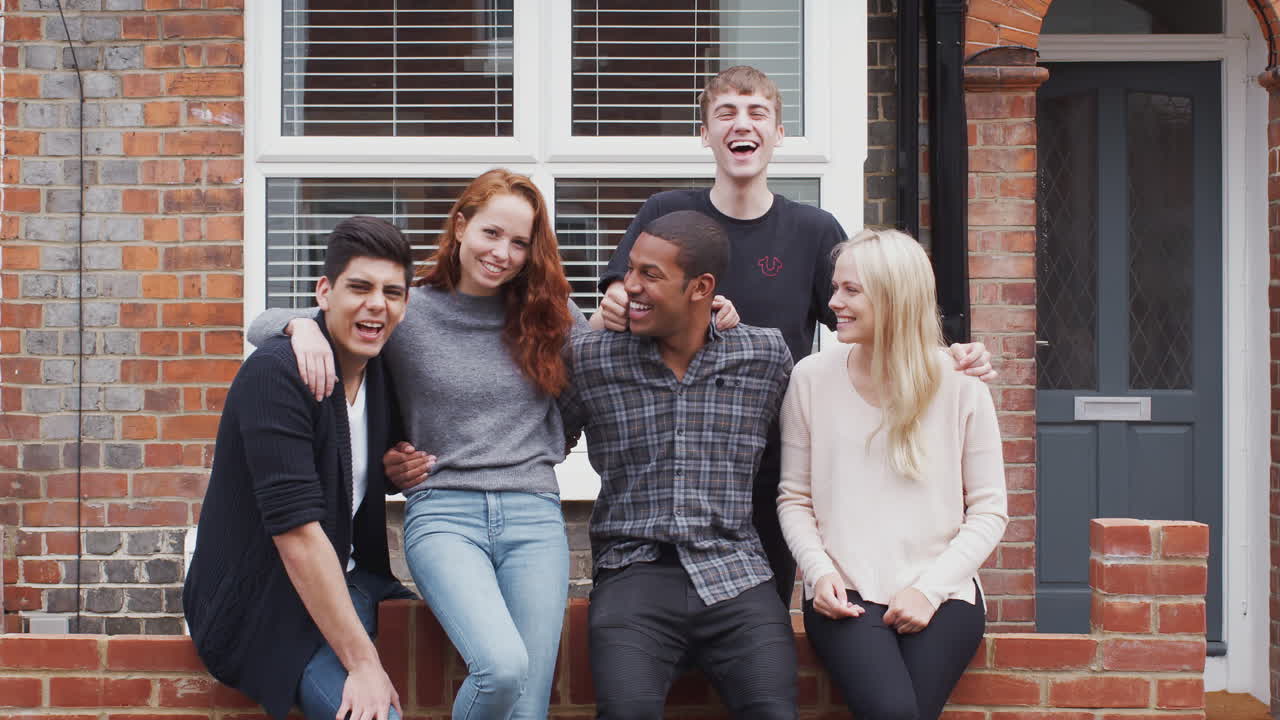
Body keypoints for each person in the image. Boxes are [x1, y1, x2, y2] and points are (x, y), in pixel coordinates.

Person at [591, 65, 995, 605]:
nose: (743, 124)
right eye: (726, 113)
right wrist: (618, 304)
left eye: (758, 113)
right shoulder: (666, 214)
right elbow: (612, 314)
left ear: (778, 134)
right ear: (704, 133)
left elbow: (876, 320)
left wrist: (946, 357)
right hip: (675, 463)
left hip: (773, 465)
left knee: (760, 622)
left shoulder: (813, 230)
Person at [246, 170, 586, 720]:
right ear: (460, 225)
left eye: (520, 243)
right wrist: (301, 328)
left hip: (535, 517)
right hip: (444, 512)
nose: (502, 252)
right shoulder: (410, 309)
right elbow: (263, 325)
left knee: (528, 708)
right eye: (491, 233)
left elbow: (599, 379)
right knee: (500, 668)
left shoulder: (550, 316)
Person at [560, 210, 797, 720]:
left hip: (735, 571)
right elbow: (539, 440)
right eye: (630, 270)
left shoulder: (764, 355)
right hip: (632, 572)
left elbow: (838, 406)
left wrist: (943, 362)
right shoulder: (592, 358)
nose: (629, 287)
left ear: (702, 287)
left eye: (651, 274)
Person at [184, 216, 416, 720]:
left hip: (353, 578)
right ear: (325, 291)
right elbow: (297, 533)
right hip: (264, 606)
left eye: (393, 292)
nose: (377, 302)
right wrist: (364, 665)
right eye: (360, 287)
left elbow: (344, 471)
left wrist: (393, 471)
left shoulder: (380, 373)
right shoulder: (278, 374)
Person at [776, 229, 1009, 720]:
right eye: (835, 287)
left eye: (851, 290)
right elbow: (794, 498)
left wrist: (929, 590)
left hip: (945, 593)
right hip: (846, 596)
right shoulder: (811, 378)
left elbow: (989, 510)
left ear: (895, 296)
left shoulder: (962, 386)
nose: (833, 301)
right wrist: (819, 574)